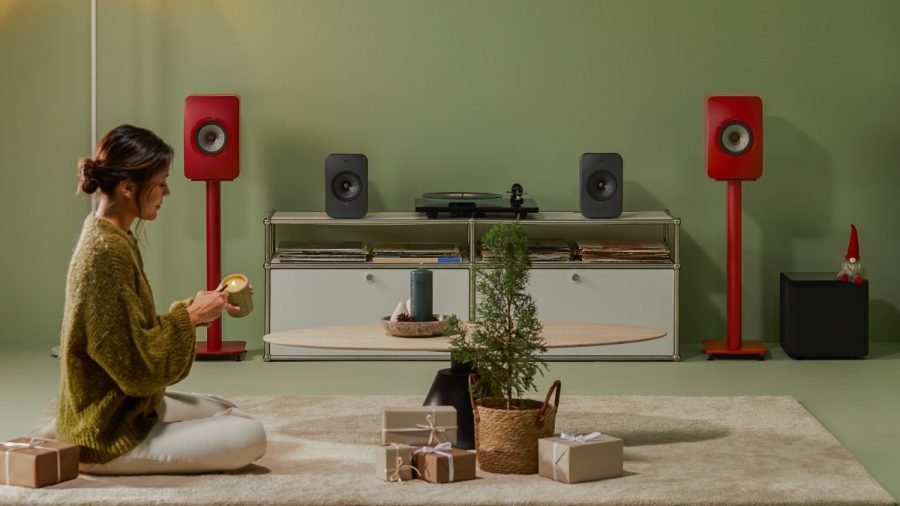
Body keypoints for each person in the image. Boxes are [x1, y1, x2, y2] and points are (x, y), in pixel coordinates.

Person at [56, 124, 267, 474]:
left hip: (127, 406)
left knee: (222, 408)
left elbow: (133, 334)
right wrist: (190, 318)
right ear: (128, 188)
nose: (166, 192)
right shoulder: (103, 253)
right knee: (251, 434)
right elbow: (137, 371)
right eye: (161, 183)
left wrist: (196, 309)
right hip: (106, 434)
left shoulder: (113, 237)